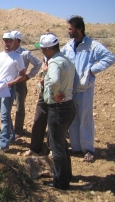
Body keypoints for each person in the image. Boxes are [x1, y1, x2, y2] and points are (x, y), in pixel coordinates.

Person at [61, 16, 115, 162]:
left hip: (85, 89)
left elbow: (109, 58)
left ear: (79, 29)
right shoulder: (68, 47)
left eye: (70, 28)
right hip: (70, 89)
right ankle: (76, 147)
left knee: (85, 118)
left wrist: (92, 70)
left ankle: (88, 149)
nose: (68, 31)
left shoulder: (93, 46)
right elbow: (60, 59)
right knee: (73, 119)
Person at [39, 33, 76, 190]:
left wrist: (54, 93)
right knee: (61, 143)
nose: (41, 51)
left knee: (56, 146)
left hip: (58, 108)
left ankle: (60, 183)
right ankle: (66, 175)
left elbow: (54, 81)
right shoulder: (65, 59)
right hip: (69, 106)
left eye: (41, 49)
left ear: (47, 50)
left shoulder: (54, 62)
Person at [11, 30, 42, 138]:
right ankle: (8, 129)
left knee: (20, 106)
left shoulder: (25, 53)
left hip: (19, 84)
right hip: (8, 83)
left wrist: (28, 76)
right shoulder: (7, 52)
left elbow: (38, 63)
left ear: (16, 41)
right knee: (6, 106)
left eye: (11, 39)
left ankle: (18, 130)